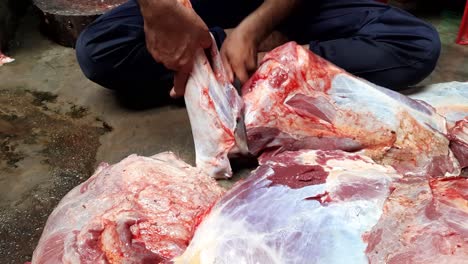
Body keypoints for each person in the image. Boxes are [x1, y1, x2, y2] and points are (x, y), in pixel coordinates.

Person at [76, 0, 441, 99]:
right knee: (100, 51)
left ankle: (245, 60)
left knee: (415, 45)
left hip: (293, 7)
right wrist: (155, 8)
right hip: (211, 5)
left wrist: (254, 32)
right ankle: (225, 52)